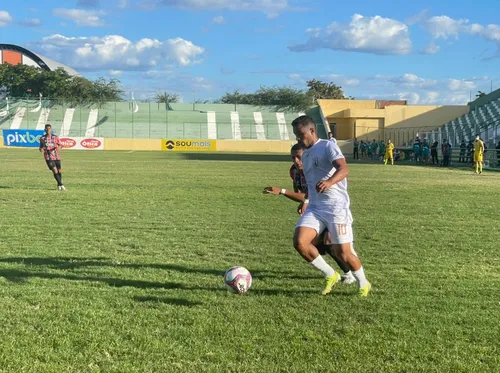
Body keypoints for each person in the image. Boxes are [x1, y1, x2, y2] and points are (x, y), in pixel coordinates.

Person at [291, 115, 371, 296]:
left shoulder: (327, 146)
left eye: (300, 134)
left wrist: (330, 182)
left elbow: (344, 168)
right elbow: (311, 184)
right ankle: (330, 274)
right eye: (296, 135)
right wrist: (306, 201)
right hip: (316, 207)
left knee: (343, 253)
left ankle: (364, 283)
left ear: (312, 131)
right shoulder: (306, 152)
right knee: (300, 242)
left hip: (336, 207)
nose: (298, 138)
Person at [263, 144, 356, 284]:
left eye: (299, 157)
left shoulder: (315, 168)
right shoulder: (294, 171)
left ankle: (349, 274)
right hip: (316, 210)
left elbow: (314, 193)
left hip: (332, 207)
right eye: (293, 157)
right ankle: (336, 271)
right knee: (311, 244)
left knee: (330, 242)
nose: (296, 161)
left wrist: (283, 191)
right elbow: (303, 194)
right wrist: (304, 201)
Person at [39, 124, 66, 190]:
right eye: (46, 129)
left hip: (56, 157)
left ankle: (59, 184)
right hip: (48, 157)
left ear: (51, 129)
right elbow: (40, 147)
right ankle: (61, 185)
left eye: (49, 129)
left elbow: (61, 145)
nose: (48, 130)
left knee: (59, 171)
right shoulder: (42, 138)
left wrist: (58, 147)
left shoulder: (55, 137)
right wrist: (41, 149)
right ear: (45, 130)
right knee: (55, 170)